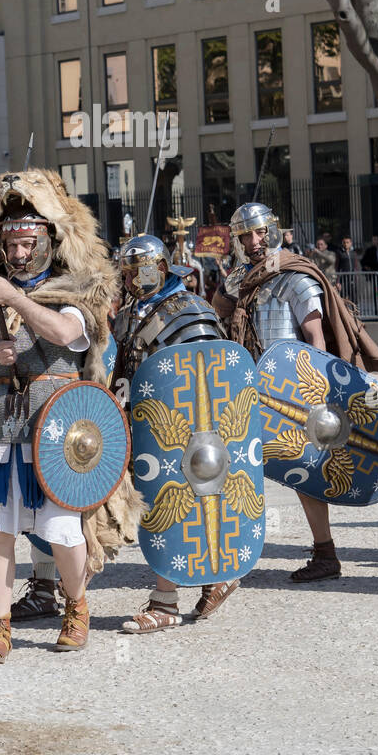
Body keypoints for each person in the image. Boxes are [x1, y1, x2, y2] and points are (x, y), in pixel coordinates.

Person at [0, 169, 138, 663]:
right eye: (11, 244)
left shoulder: (75, 292)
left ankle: (76, 606)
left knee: (64, 535)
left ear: (47, 241)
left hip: (57, 434)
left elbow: (61, 333)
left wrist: (17, 300)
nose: (18, 252)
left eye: (28, 242)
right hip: (2, 430)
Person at [214, 203, 378, 582]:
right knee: (234, 468)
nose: (253, 241)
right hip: (247, 390)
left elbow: (314, 339)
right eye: (245, 235)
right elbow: (220, 329)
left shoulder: (295, 277)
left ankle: (325, 553)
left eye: (259, 233)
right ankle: (228, 552)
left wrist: (317, 394)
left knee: (303, 472)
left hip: (291, 392)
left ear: (273, 231)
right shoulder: (236, 280)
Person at [113, 234, 231, 632]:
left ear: (160, 268)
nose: (130, 281)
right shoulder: (133, 311)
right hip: (143, 422)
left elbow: (209, 378)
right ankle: (218, 573)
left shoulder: (189, 310)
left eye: (138, 272)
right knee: (164, 506)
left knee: (169, 504)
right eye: (125, 273)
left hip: (183, 432)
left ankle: (165, 602)